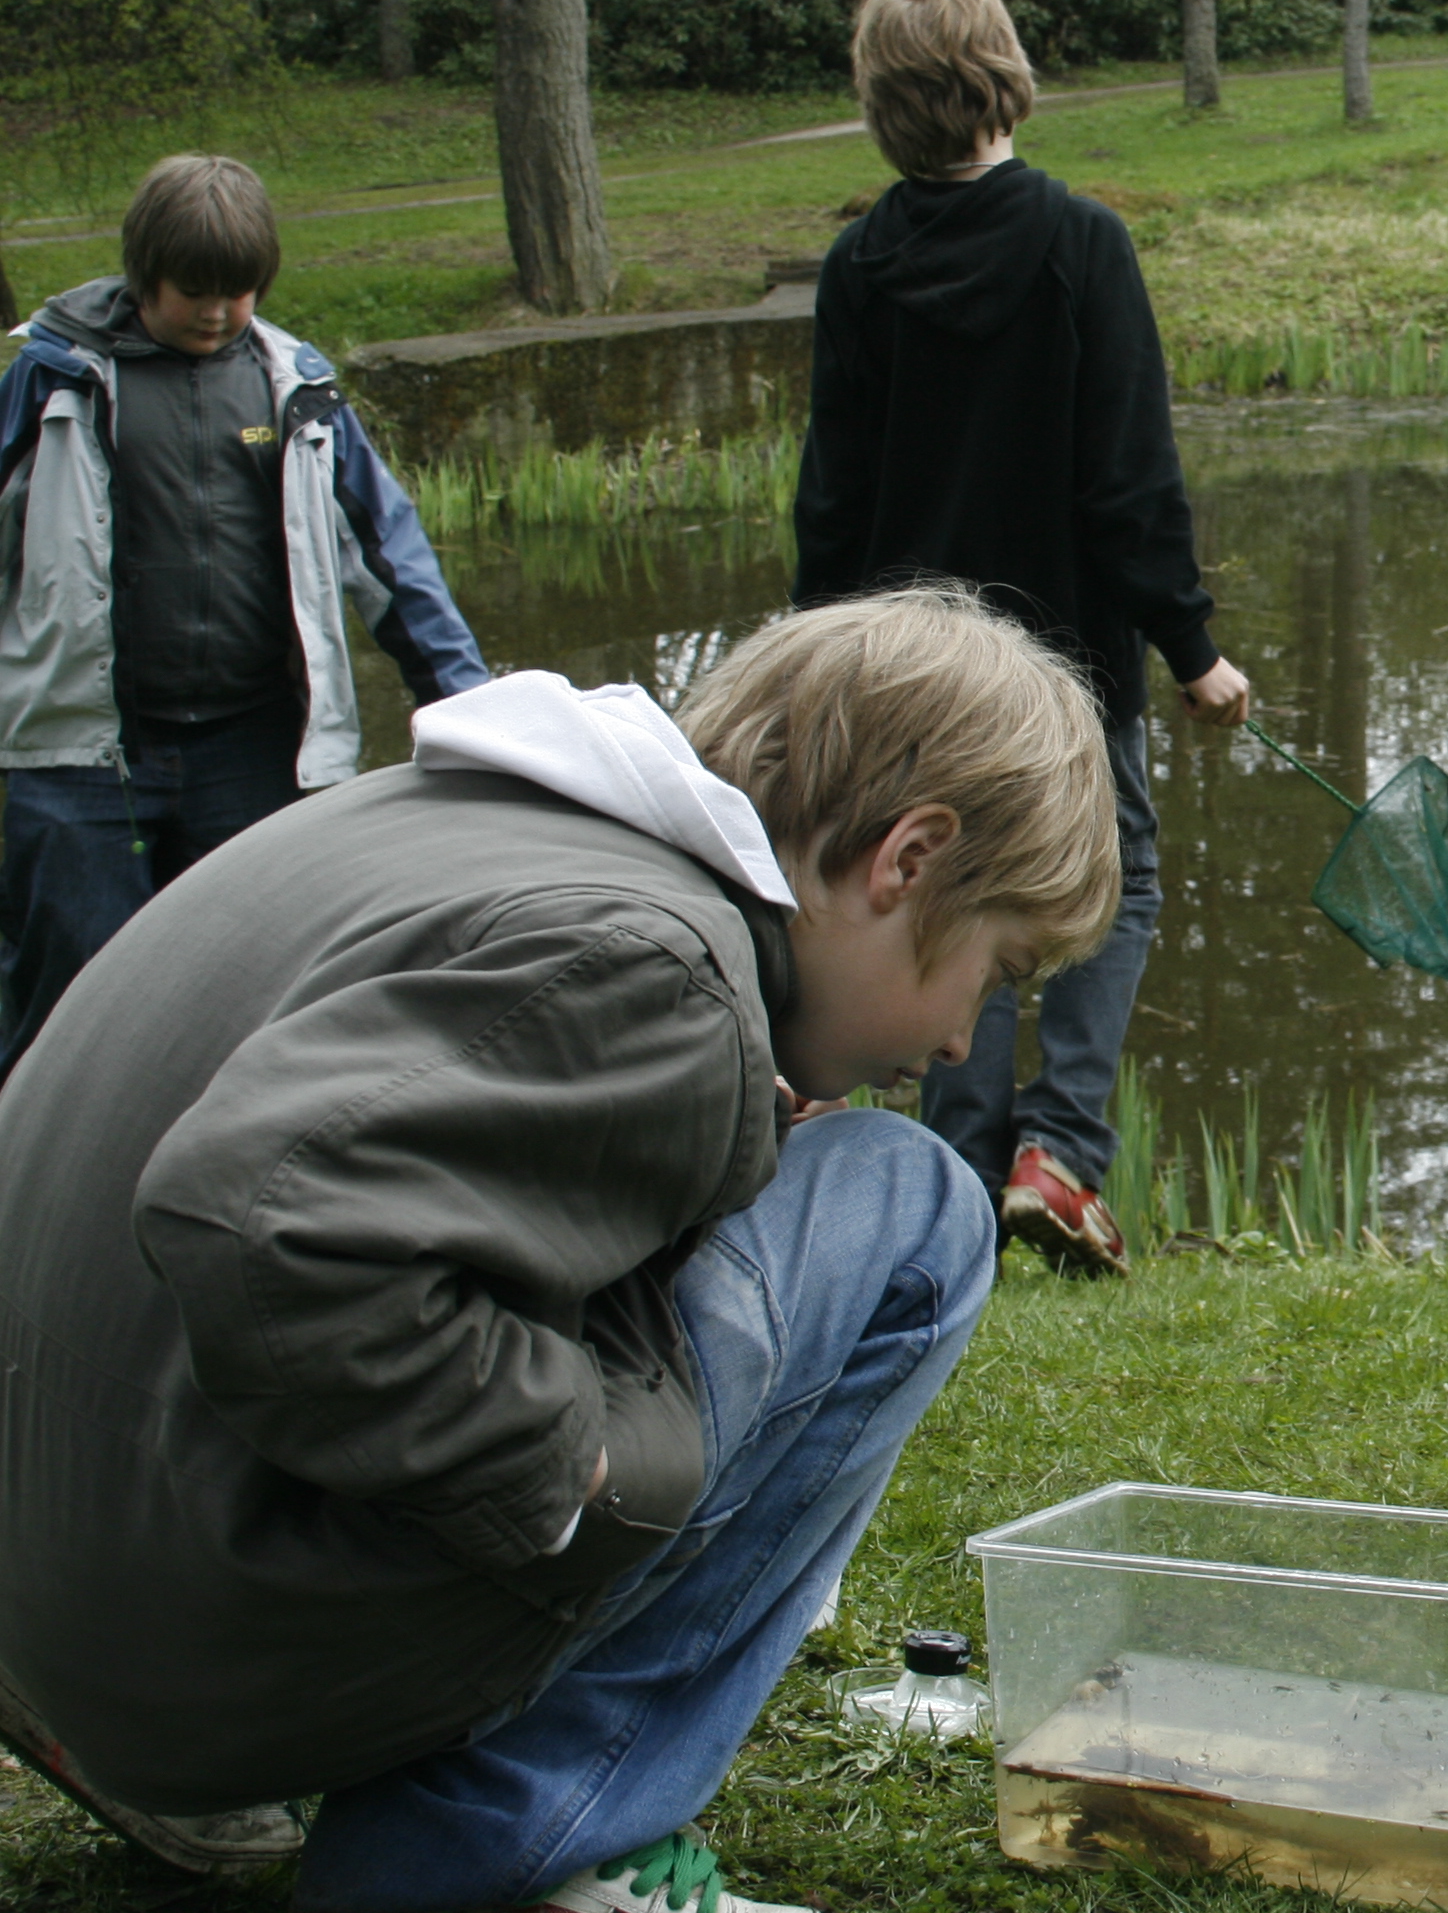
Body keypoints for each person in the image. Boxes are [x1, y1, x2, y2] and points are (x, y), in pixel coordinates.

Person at [0, 585, 1119, 1913]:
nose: (957, 1045)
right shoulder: (661, 972)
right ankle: (504, 1840)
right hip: (192, 1656)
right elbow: (254, 1217)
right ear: (910, 858)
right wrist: (557, 1452)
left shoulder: (463, 818)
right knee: (914, 1208)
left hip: (59, 1606)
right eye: (996, 975)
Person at [795, 0, 1251, 1279]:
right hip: (1066, 666)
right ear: (1006, 76)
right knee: (1121, 885)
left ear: (882, 106)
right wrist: (1194, 650)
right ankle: (1055, 1160)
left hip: (917, 682)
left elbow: (833, 502)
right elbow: (1129, 485)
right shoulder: (1079, 244)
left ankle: (953, 1179)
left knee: (951, 902)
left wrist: (827, 677)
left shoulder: (860, 266)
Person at [0, 153, 487, 1070]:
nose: (219, 312)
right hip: (84, 759)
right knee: (66, 1011)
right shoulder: (50, 380)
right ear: (145, 275)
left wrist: (474, 710)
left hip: (255, 754)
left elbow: (393, 563)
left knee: (258, 1001)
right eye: (195, 291)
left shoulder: (297, 392)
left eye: (242, 291)